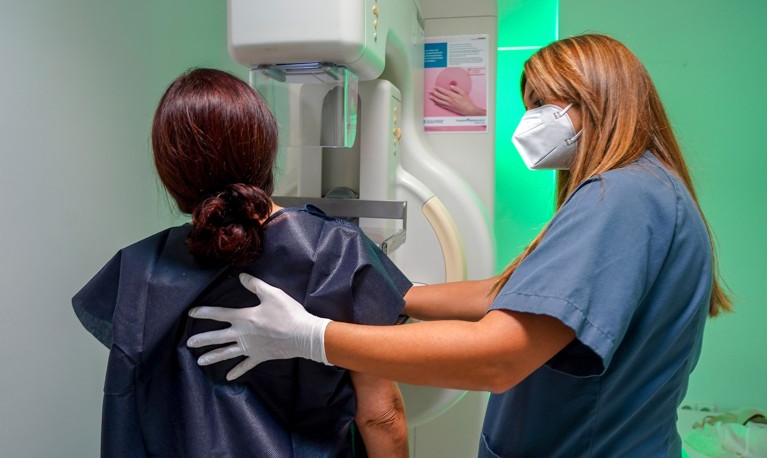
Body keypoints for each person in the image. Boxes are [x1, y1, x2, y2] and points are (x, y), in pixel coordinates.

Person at [186, 34, 733, 457]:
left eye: (545, 103)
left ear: (597, 96)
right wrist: (393, 292)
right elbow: (516, 293)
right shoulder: (652, 191)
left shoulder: (619, 197)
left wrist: (313, 336)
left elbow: (498, 356)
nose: (530, 120)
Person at [72, 68, 410, 458]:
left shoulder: (135, 270)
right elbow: (381, 417)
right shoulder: (334, 251)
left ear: (171, 171)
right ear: (265, 150)